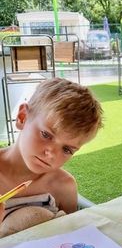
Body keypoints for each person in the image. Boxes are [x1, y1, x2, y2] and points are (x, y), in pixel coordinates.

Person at [0, 78, 103, 236]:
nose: (52, 154)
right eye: (46, 135)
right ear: (22, 117)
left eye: (67, 149)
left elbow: (67, 237)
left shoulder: (63, 186)